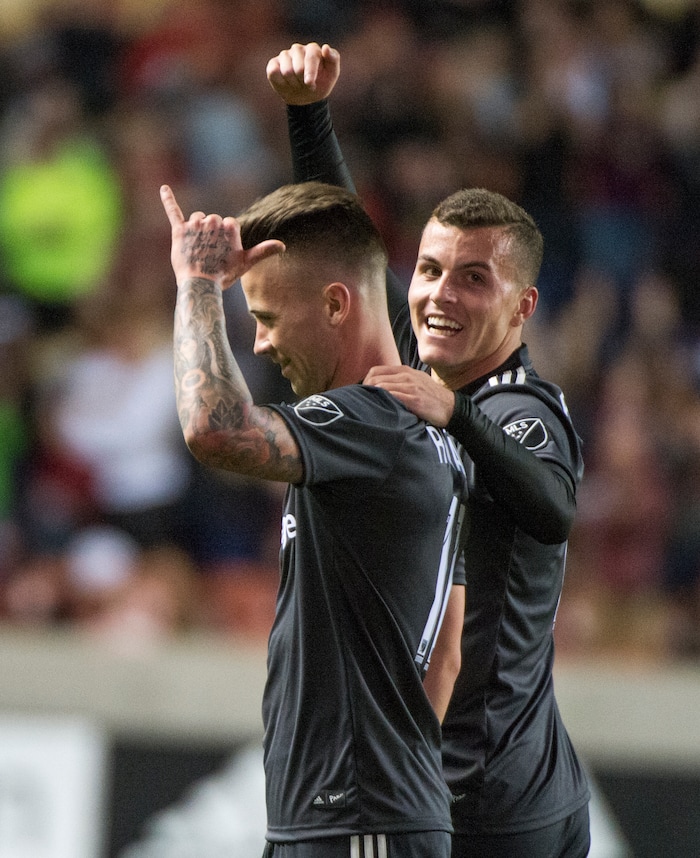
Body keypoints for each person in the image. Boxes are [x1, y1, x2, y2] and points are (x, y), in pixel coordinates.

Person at [267, 42, 590, 858]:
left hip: (492, 797)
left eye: (473, 278)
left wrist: (460, 417)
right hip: (449, 787)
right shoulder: (415, 379)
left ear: (523, 308)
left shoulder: (521, 410)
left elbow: (552, 512)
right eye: (431, 269)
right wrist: (309, 112)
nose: (439, 295)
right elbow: (349, 252)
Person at [160, 179, 469, 858]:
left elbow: (216, 429)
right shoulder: (426, 437)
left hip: (354, 820)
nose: (262, 345)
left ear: (336, 304)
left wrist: (198, 284)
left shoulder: (370, 421)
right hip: (361, 814)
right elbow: (444, 652)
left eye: (266, 318)